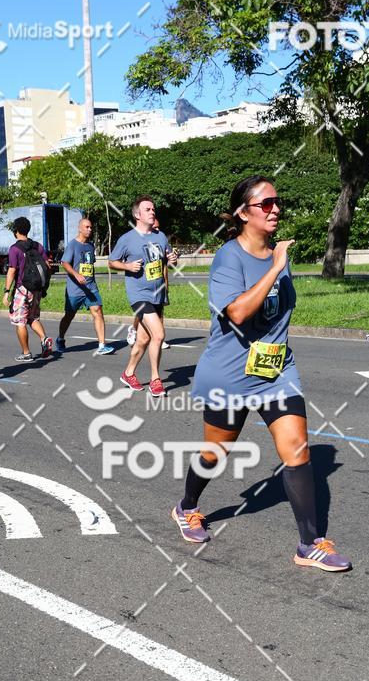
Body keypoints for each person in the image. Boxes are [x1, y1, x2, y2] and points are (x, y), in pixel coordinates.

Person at [171, 175, 351, 572]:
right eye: (265, 203)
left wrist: (276, 264)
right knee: (215, 454)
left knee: (297, 447)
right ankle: (186, 507)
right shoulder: (228, 258)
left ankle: (309, 543)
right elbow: (236, 313)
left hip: (275, 369)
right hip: (229, 373)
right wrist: (275, 268)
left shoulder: (276, 253)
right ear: (242, 213)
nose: (275, 209)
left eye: (276, 202)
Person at [109, 196, 169, 395]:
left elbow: (167, 258)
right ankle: (155, 379)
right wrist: (127, 266)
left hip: (157, 293)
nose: (153, 212)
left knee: (143, 340)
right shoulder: (127, 239)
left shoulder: (160, 237)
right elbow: (112, 261)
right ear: (137, 215)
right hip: (139, 294)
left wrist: (172, 257)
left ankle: (128, 373)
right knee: (159, 335)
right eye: (148, 209)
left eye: (153, 209)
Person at [55, 217, 113, 355]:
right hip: (75, 288)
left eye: (91, 227)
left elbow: (89, 265)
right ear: (80, 228)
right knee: (69, 315)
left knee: (97, 310)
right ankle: (60, 338)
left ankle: (101, 345)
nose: (90, 230)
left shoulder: (90, 245)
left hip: (90, 287)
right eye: (87, 227)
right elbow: (64, 263)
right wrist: (76, 274)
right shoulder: (72, 245)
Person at [2, 216, 53, 362]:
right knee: (33, 317)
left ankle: (26, 353)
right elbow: (47, 266)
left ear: (16, 231)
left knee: (20, 322)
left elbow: (12, 271)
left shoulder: (15, 249)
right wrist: (43, 286)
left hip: (22, 289)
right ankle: (44, 339)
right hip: (36, 289)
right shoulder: (38, 246)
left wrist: (6, 292)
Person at [126, 216, 176, 350]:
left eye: (158, 227)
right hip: (143, 288)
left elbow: (169, 263)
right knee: (143, 312)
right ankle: (134, 329)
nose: (157, 229)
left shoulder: (161, 240)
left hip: (160, 282)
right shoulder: (139, 242)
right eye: (155, 227)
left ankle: (159, 337)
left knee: (160, 311)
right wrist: (130, 266)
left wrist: (173, 260)